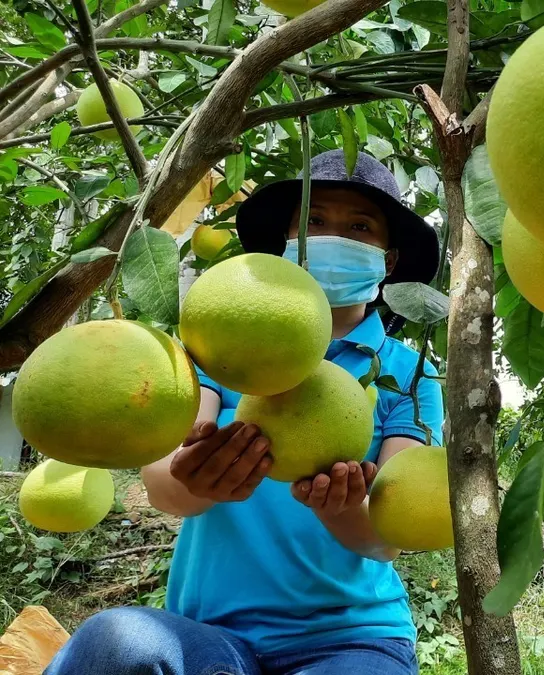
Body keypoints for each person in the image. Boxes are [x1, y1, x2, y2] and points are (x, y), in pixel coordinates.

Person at [46, 150, 445, 675]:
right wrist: (201, 480)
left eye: (359, 226)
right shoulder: (221, 347)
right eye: (314, 221)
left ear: (387, 261)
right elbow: (166, 490)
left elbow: (384, 535)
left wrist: (336, 503)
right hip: (212, 634)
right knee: (114, 643)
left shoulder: (405, 373)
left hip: (349, 638)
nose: (332, 235)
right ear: (286, 242)